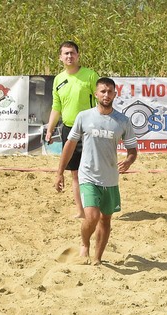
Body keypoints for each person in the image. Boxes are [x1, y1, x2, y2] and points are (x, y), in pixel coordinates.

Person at [56, 77, 138, 265]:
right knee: (92, 217)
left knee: (105, 219)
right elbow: (70, 144)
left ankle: (97, 258)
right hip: (88, 175)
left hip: (110, 178)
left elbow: (132, 150)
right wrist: (59, 172)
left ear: (115, 94)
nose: (106, 95)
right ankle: (85, 244)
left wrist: (129, 161)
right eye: (103, 91)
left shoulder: (122, 121)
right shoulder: (84, 116)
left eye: (110, 92)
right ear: (96, 94)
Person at [45, 40, 99, 219]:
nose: (69, 56)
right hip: (69, 129)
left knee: (92, 171)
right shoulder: (58, 79)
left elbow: (101, 101)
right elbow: (56, 107)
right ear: (60, 57)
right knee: (74, 172)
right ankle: (81, 211)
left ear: (78, 55)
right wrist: (50, 129)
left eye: (72, 53)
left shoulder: (90, 76)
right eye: (66, 53)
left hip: (89, 129)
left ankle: (96, 208)